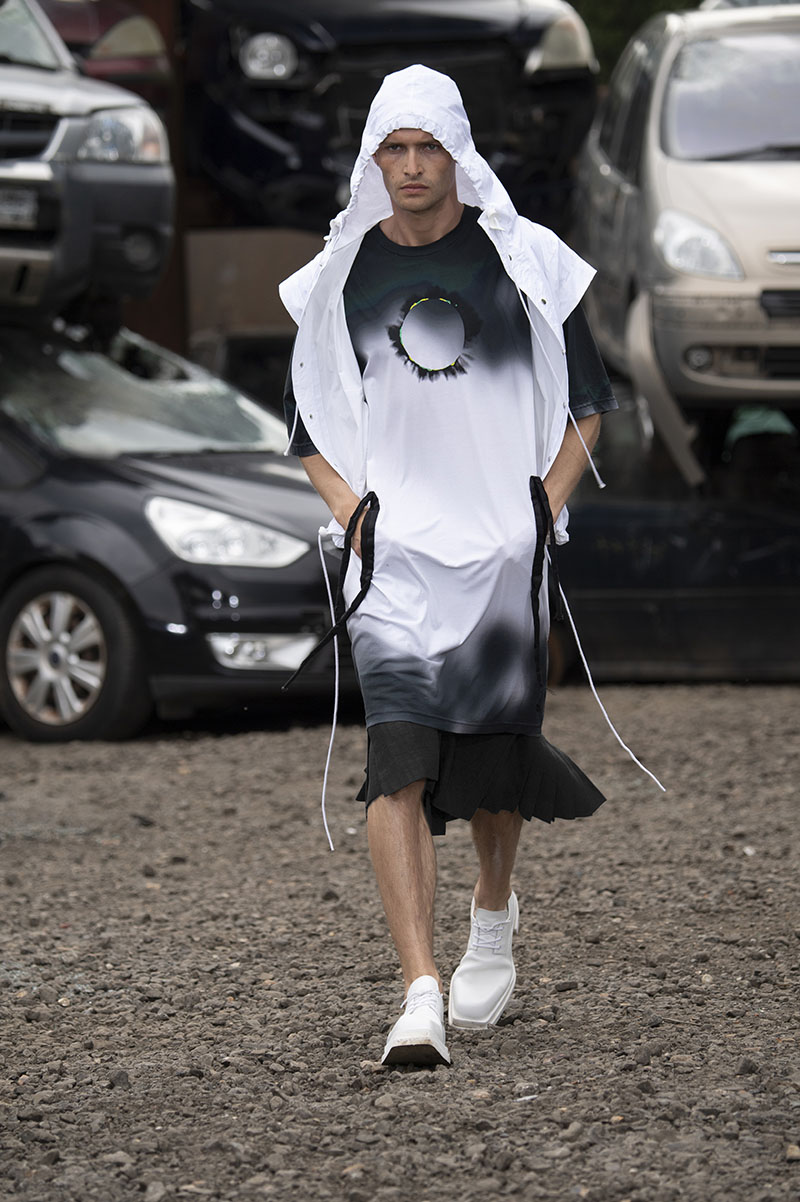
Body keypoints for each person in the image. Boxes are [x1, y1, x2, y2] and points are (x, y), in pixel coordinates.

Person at [280, 65, 618, 1067]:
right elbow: (305, 422)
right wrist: (353, 516)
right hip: (392, 560)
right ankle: (418, 991)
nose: (413, 165)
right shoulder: (337, 279)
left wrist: (538, 514)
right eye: (395, 148)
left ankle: (494, 914)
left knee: (493, 760)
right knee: (397, 760)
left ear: (459, 152)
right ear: (372, 160)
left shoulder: (528, 260)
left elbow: (588, 404)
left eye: (429, 146)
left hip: (500, 555)